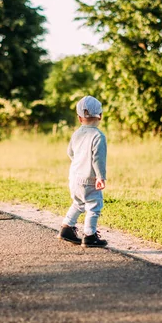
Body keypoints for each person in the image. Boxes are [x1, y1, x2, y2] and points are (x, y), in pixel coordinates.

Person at [58, 95, 108, 248]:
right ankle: (90, 235)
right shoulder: (98, 136)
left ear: (79, 118)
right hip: (89, 179)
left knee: (78, 203)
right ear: (100, 116)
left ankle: (66, 228)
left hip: (74, 177)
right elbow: (98, 159)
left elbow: (70, 153)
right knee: (94, 205)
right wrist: (101, 177)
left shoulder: (76, 133)